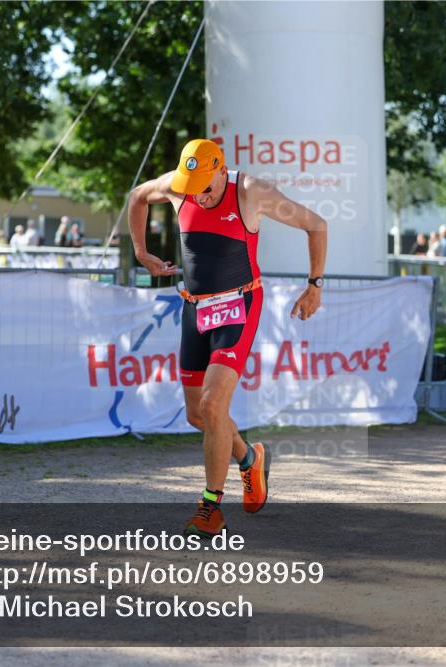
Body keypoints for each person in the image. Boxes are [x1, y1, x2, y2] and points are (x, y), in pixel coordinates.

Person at [129, 138, 327, 538]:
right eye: (192, 185)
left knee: (213, 405)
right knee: (198, 415)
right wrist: (141, 251)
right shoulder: (177, 185)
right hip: (194, 307)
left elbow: (316, 224)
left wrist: (314, 285)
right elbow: (137, 196)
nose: (198, 194)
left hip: (239, 305)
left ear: (221, 170)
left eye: (206, 185)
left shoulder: (252, 192)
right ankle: (250, 457)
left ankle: (210, 509)